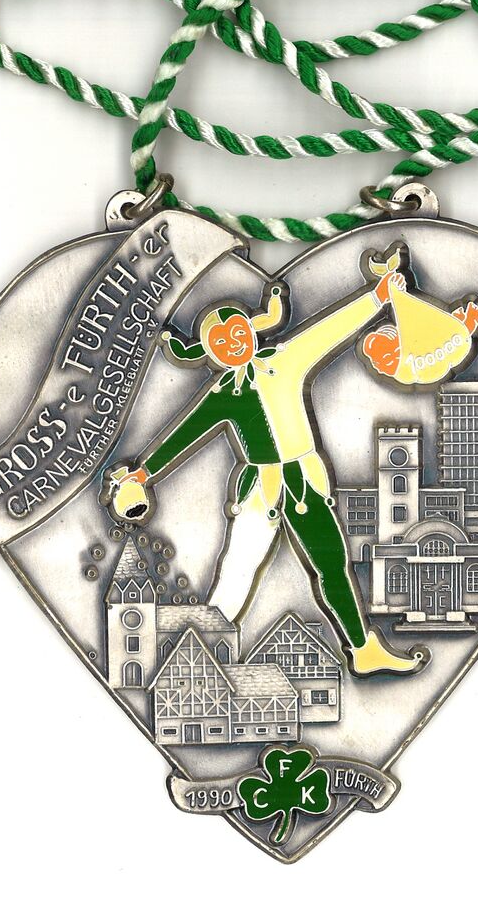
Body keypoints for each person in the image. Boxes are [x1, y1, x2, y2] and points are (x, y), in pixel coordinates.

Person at [102, 244, 425, 677]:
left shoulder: (286, 358)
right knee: (238, 569)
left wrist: (378, 296)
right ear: (211, 352)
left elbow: (329, 330)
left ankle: (363, 650)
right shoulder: (223, 393)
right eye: (220, 342)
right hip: (260, 489)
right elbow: (182, 435)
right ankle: (198, 659)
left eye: (237, 331)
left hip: (305, 484)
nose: (232, 343)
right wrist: (143, 472)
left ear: (252, 330)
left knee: (332, 566)